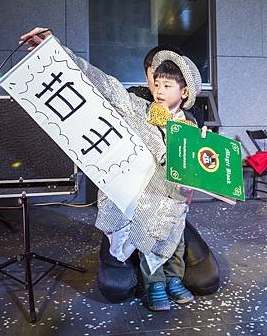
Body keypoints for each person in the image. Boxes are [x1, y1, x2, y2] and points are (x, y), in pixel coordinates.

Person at [20, 27, 202, 311]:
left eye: (167, 84)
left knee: (182, 251)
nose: (159, 89)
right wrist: (56, 53)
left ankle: (173, 280)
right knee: (133, 262)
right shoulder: (139, 108)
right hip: (139, 203)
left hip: (176, 204)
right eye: (157, 81)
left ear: (184, 90)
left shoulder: (189, 124)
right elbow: (102, 84)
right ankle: (153, 283)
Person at [128, 45, 204, 126]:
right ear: (146, 77)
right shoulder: (134, 101)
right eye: (157, 83)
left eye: (167, 85)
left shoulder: (191, 117)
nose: (160, 90)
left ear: (185, 92)